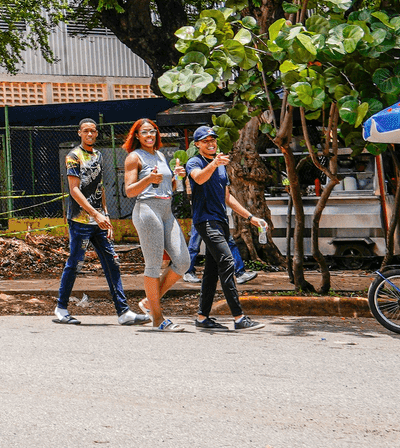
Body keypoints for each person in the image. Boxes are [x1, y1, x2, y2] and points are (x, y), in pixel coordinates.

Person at [54, 118, 143, 326]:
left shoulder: (99, 155)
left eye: (93, 131)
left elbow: (100, 187)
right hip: (80, 220)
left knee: (112, 263)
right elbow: (74, 190)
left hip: (99, 220)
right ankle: (61, 308)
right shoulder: (73, 156)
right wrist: (95, 214)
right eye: (86, 131)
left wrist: (106, 215)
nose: (90, 134)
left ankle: (123, 312)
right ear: (79, 133)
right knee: (75, 263)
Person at [184, 126, 263, 331]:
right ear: (197, 144)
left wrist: (250, 217)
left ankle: (202, 317)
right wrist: (214, 164)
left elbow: (227, 196)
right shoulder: (195, 162)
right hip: (205, 221)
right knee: (227, 263)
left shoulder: (220, 166)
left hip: (221, 222)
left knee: (211, 271)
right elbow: (199, 178)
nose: (211, 143)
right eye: (206, 141)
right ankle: (239, 317)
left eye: (213, 140)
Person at [123, 119, 189, 331]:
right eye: (144, 132)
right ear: (137, 136)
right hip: (147, 210)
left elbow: (166, 186)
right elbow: (129, 191)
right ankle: (158, 319)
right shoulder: (134, 157)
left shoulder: (160, 155)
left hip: (166, 210)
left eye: (152, 131)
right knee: (153, 265)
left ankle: (148, 302)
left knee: (183, 262)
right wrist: (148, 180)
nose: (149, 135)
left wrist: (177, 177)